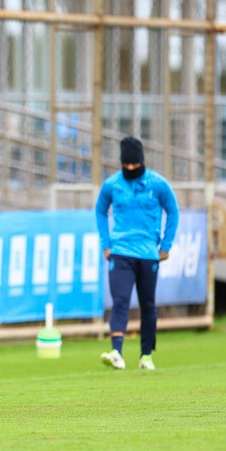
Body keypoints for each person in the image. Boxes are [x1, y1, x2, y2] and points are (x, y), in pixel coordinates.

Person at [95, 136, 179, 371]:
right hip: (120, 251)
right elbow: (100, 211)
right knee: (120, 301)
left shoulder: (158, 184)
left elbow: (173, 211)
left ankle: (146, 356)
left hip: (148, 253)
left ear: (142, 161)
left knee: (148, 305)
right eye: (126, 165)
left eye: (135, 165)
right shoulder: (112, 185)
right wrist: (106, 243)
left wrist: (166, 245)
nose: (130, 169)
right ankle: (116, 352)